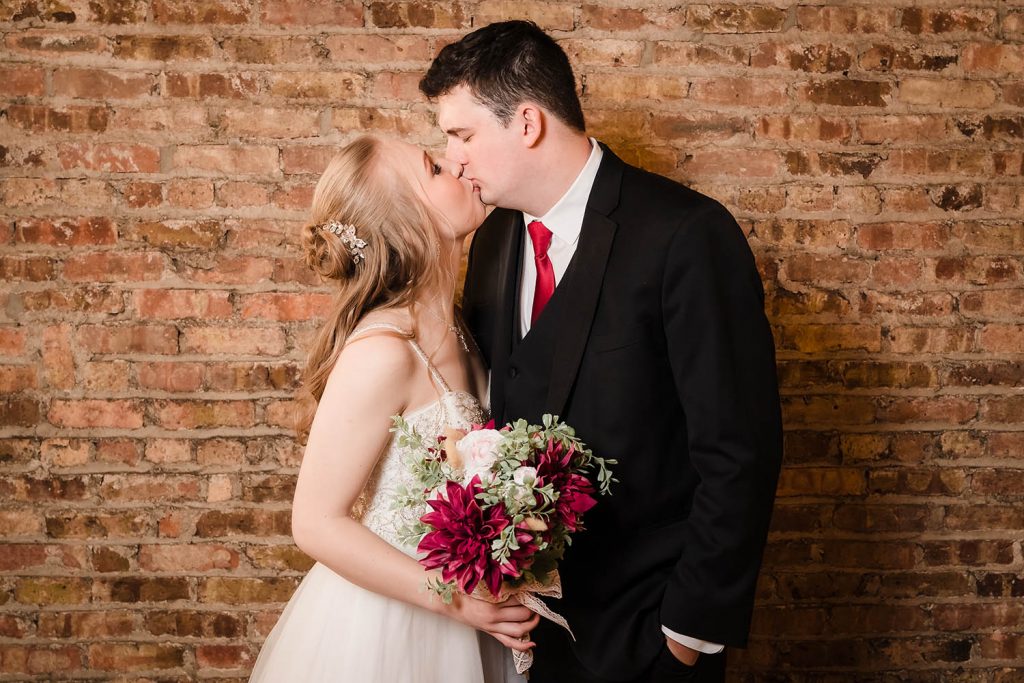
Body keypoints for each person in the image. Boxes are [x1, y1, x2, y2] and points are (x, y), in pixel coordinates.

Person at [420, 20, 784, 683]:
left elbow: (739, 451)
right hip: (529, 633)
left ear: (526, 123)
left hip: (650, 635)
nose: (454, 159)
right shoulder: (495, 242)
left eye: (462, 134)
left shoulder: (687, 236)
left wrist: (684, 634)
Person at [248, 134, 535, 682]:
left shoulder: (463, 321)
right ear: (407, 222)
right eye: (432, 167)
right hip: (395, 630)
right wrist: (459, 602)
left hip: (478, 618)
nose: (454, 162)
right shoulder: (382, 352)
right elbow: (314, 523)